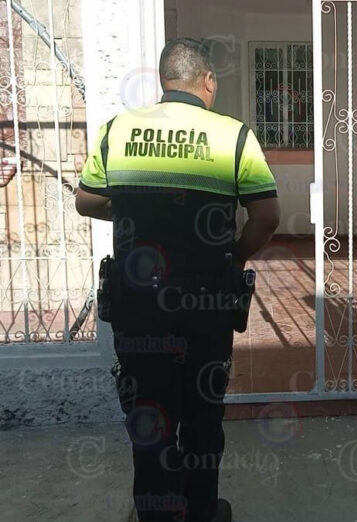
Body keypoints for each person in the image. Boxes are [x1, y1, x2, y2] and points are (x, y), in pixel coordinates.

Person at [76, 38, 280, 522]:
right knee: (203, 413)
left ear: (163, 81)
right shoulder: (233, 136)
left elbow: (86, 201)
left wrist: (136, 214)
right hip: (207, 303)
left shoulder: (117, 130)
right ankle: (201, 509)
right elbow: (267, 217)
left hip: (138, 304)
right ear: (207, 80)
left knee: (149, 411)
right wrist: (233, 257)